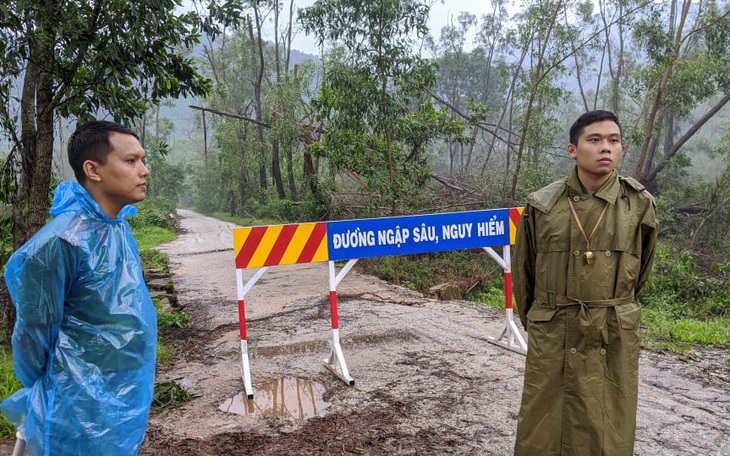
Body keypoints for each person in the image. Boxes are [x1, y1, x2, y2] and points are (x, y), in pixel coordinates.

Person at [1, 121, 157, 455]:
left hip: (119, 400)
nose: (144, 171)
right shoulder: (60, 242)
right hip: (71, 410)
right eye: (131, 161)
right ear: (93, 169)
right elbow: (33, 336)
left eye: (142, 160)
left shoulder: (117, 231)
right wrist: (58, 389)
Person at [511, 110, 658, 455]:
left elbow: (641, 273)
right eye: (595, 140)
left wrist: (611, 308)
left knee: (608, 426)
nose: (606, 148)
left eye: (614, 140)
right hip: (554, 329)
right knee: (544, 425)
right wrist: (542, 320)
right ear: (572, 149)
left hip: (612, 330)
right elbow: (524, 278)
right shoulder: (542, 205)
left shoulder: (638, 205)